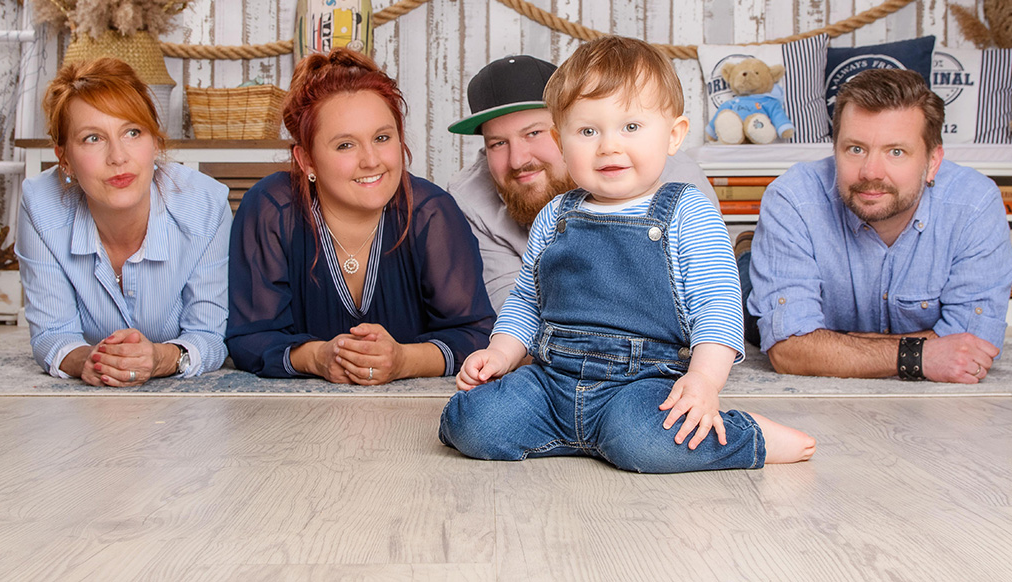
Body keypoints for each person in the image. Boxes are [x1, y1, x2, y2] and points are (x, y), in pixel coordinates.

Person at [439, 36, 816, 471]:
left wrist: (703, 380)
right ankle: (589, 435)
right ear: (562, 142)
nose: (608, 146)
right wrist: (501, 352)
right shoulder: (554, 215)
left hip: (642, 383)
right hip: (553, 379)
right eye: (588, 132)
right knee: (473, 422)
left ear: (673, 135)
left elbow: (717, 306)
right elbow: (527, 301)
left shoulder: (686, 211)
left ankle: (747, 436)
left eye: (631, 127)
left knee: (641, 439)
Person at [225, 48, 494, 382]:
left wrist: (404, 361)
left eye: (382, 138)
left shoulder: (432, 212)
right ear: (306, 160)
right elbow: (249, 338)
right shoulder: (271, 208)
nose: (371, 161)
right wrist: (316, 358)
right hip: (293, 409)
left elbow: (476, 335)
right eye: (345, 145)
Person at [745, 68, 1012, 383]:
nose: (871, 172)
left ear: (932, 163)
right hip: (756, 283)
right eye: (855, 149)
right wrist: (919, 355)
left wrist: (830, 345)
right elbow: (788, 350)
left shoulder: (975, 204)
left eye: (896, 152)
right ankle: (748, 251)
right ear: (835, 150)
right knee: (739, 304)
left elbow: (972, 346)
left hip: (826, 313)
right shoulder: (793, 198)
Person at [16, 58, 232, 386]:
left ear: (155, 141)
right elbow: (52, 333)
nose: (118, 157)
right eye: (93, 138)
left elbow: (209, 335)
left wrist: (161, 359)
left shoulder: (205, 205)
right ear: (64, 158)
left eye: (133, 132)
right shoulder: (40, 204)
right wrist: (90, 360)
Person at [448, 54, 720, 313]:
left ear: (564, 130)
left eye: (533, 133)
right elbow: (513, 306)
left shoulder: (672, 176)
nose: (517, 160)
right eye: (498, 143)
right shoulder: (471, 198)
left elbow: (709, 302)